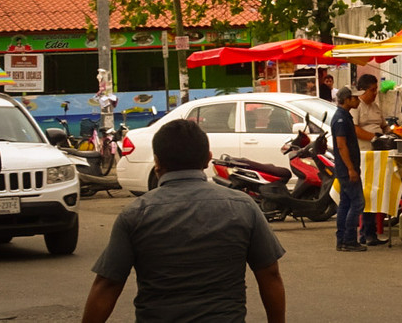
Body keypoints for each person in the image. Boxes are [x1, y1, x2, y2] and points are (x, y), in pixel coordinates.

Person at [82, 119, 287, 323]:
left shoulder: (136, 214)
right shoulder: (244, 206)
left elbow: (107, 285)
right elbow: (270, 275)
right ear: (208, 159)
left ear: (157, 162)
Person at [352, 74, 388, 246]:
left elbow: (383, 125)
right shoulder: (356, 106)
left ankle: (371, 232)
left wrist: (392, 133)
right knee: (367, 193)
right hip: (363, 154)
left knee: (377, 191)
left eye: (376, 90)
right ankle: (365, 232)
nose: (375, 94)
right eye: (372, 90)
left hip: (379, 154)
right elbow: (355, 129)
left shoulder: (376, 106)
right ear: (363, 90)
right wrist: (373, 138)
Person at [330, 87, 367, 252]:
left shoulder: (345, 117)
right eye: (355, 98)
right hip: (346, 168)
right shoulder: (340, 119)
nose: (358, 101)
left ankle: (342, 239)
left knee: (345, 203)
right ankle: (349, 239)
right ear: (346, 99)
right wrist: (351, 169)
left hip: (347, 167)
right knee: (358, 203)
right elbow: (341, 145)